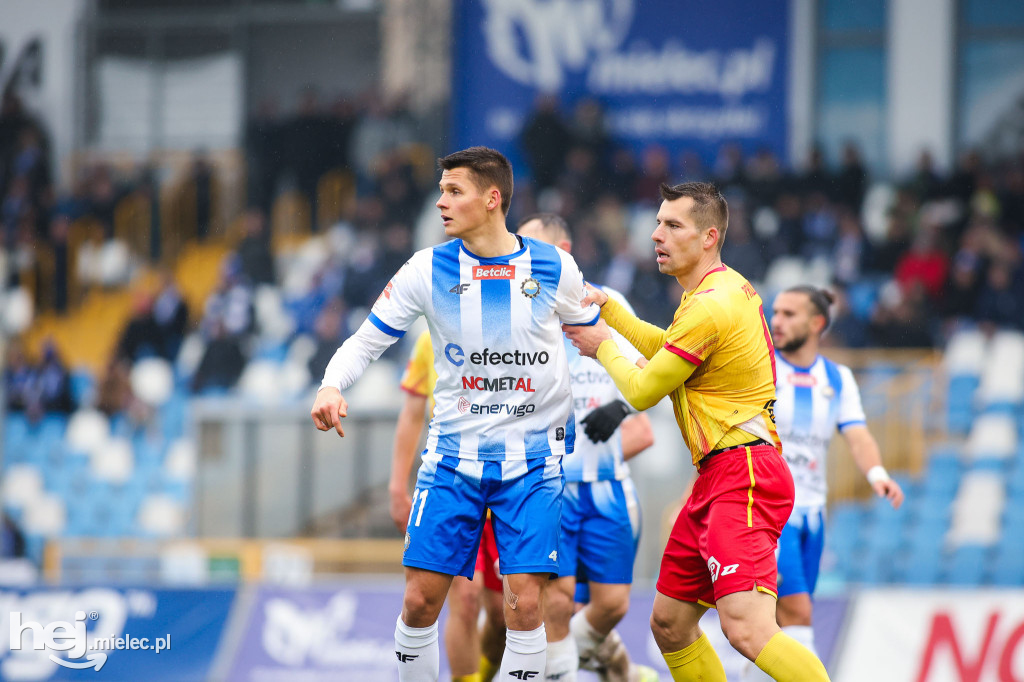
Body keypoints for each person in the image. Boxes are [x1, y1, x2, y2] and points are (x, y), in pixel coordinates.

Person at [312, 146, 600, 682]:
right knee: (421, 601)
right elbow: (366, 340)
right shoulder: (427, 268)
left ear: (492, 199)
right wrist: (331, 384)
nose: (441, 202)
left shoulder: (553, 266)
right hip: (451, 462)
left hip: (533, 464)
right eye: (441, 190)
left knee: (525, 608)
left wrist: (657, 378)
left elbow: (597, 338)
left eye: (453, 191)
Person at [563, 182, 831, 682]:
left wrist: (602, 344)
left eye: (672, 225)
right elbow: (668, 347)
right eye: (658, 222)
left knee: (747, 629)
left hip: (744, 473)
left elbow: (643, 389)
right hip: (720, 474)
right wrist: (612, 311)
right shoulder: (715, 291)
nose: (656, 234)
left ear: (709, 236)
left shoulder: (710, 306)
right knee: (670, 622)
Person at [516, 214, 658, 682]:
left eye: (535, 246)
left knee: (613, 603)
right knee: (555, 600)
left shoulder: (608, 302)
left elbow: (647, 366)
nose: (525, 256)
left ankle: (581, 665)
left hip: (608, 487)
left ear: (564, 246)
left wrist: (619, 407)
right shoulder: (519, 311)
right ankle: (564, 671)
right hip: (548, 485)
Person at [738, 286, 904, 681]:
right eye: (775, 312)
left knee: (779, 618)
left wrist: (877, 474)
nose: (776, 320)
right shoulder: (761, 366)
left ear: (816, 324)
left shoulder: (838, 378)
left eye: (789, 314)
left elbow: (858, 435)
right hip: (769, 512)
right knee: (797, 612)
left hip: (813, 513)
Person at [389, 329, 507, 682]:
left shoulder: (514, 328)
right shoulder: (432, 336)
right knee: (466, 602)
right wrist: (398, 486)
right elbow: (412, 413)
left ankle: (482, 674)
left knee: (504, 616)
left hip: (508, 490)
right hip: (456, 488)